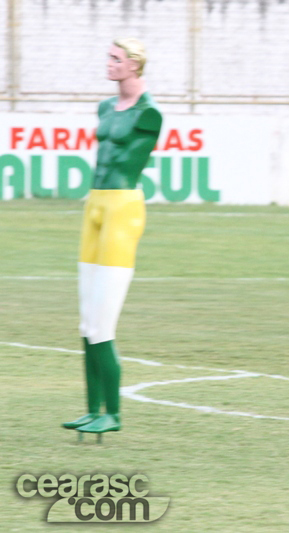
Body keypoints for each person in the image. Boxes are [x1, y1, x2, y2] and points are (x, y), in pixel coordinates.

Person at [62, 38, 163, 437]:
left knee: (103, 323)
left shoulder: (149, 113)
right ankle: (92, 410)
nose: (109, 63)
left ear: (134, 66)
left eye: (116, 59)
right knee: (87, 321)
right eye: (109, 57)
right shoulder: (105, 107)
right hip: (95, 206)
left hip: (122, 208)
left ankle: (114, 414)